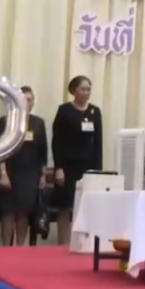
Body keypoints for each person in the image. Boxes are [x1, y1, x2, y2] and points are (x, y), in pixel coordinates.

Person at [51, 75, 103, 246]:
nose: (86, 92)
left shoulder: (95, 111)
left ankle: (82, 243)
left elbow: (98, 142)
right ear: (74, 90)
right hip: (68, 166)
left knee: (85, 204)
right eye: (83, 89)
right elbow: (57, 141)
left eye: (89, 89)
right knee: (65, 205)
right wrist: (58, 167)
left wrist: (98, 171)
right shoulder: (64, 110)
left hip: (88, 166)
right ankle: (63, 243)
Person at [0, 86, 48, 246]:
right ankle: (6, 248)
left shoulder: (38, 123)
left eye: (30, 100)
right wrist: (3, 173)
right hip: (10, 171)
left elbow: (43, 151)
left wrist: (43, 175)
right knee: (9, 212)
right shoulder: (6, 121)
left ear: (33, 103)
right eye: (24, 99)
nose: (27, 103)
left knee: (24, 212)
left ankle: (20, 247)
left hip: (30, 174)